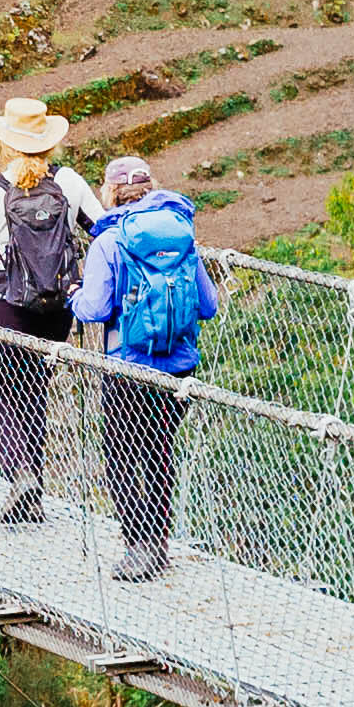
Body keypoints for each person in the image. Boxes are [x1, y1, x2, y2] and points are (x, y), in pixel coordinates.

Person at [0, 102, 102, 527]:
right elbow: (106, 229)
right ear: (49, 143)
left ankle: (20, 472)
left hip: (8, 309)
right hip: (57, 311)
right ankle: (32, 493)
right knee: (34, 391)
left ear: (4, 143)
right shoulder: (69, 182)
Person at [71, 152, 219, 581]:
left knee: (121, 458)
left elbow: (95, 309)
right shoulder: (181, 234)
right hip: (179, 368)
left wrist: (74, 296)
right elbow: (208, 305)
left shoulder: (109, 241)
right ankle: (158, 545)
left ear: (111, 192)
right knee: (159, 454)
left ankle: (138, 545)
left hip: (127, 368)